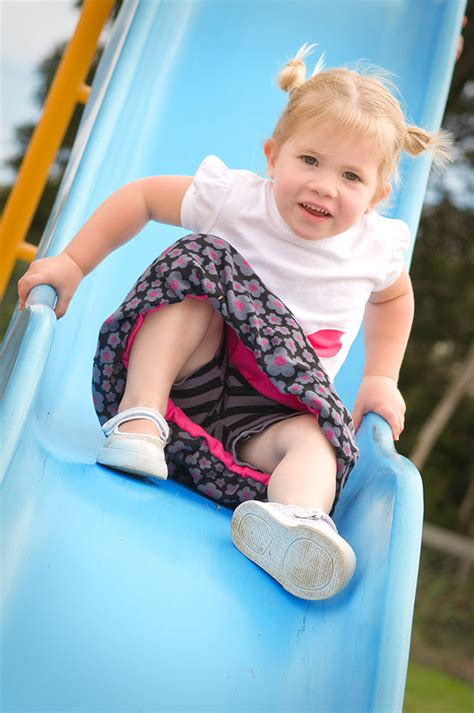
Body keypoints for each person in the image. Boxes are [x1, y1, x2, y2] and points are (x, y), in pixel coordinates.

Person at [17, 44, 451, 601]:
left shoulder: (375, 247)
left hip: (264, 424)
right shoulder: (238, 201)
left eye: (350, 176)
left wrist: (380, 377)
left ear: (377, 195)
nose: (324, 186)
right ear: (273, 156)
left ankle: (293, 524)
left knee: (318, 441)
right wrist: (74, 262)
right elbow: (144, 196)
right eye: (310, 161)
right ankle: (138, 421)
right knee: (198, 269)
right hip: (189, 386)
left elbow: (394, 299)